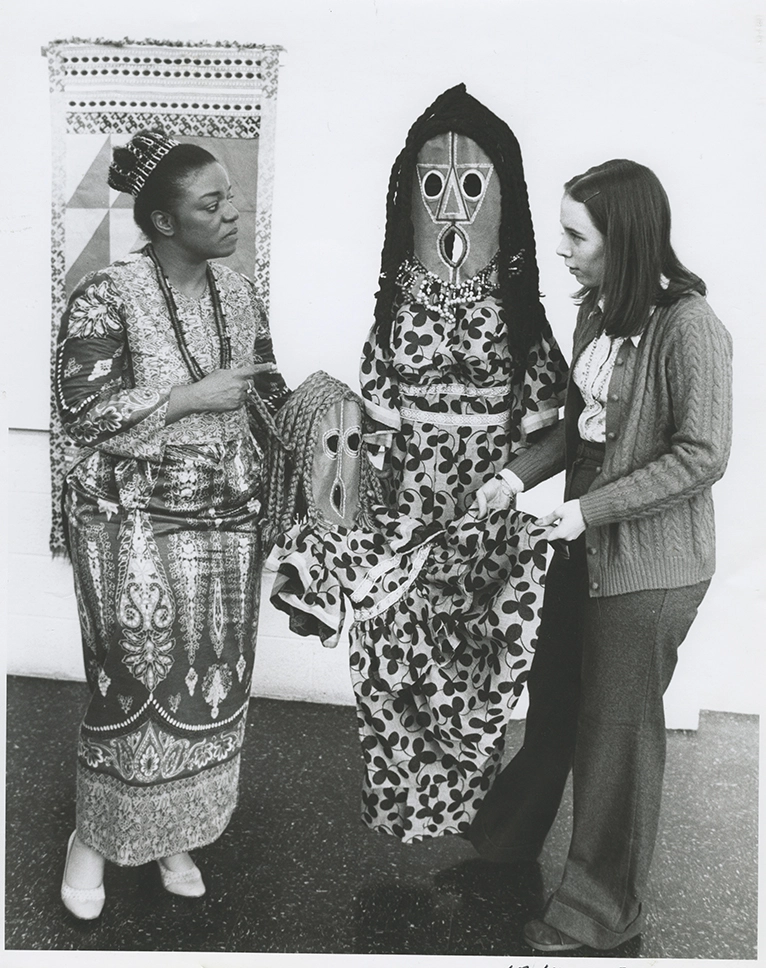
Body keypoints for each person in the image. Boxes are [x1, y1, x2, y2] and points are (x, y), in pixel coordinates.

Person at [271, 85, 569, 843]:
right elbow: (370, 426)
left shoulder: (524, 323)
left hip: (483, 528)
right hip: (406, 523)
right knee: (389, 676)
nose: (454, 212)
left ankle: (477, 824)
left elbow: (558, 433)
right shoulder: (396, 318)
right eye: (435, 188)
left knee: (473, 687)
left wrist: (508, 481)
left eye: (473, 188)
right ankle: (403, 806)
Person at [469, 158, 733, 951]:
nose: (562, 249)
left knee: (615, 734)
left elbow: (703, 455)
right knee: (553, 699)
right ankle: (507, 844)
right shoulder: (597, 316)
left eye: (575, 235)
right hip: (586, 546)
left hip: (652, 569)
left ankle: (602, 910)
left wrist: (586, 511)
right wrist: (512, 479)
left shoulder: (690, 327)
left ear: (622, 239)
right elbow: (577, 425)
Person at [54, 129, 290, 919]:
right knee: (134, 684)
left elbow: (262, 394)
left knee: (207, 685)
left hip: (225, 524)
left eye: (232, 196)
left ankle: (169, 833)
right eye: (211, 202)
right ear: (161, 221)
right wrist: (191, 398)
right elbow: (83, 414)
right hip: (129, 527)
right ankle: (93, 836)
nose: (233, 213)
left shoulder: (240, 294)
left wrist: (333, 424)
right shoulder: (104, 296)